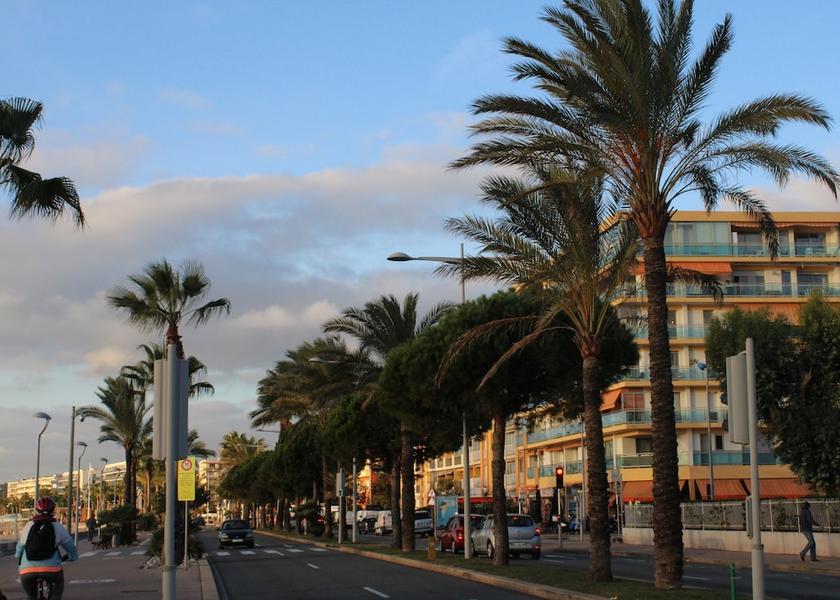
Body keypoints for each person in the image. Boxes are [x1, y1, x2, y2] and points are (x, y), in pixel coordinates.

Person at [16, 497, 78, 600]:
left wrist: (17, 555)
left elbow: (20, 545)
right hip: (52, 569)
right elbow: (70, 546)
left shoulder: (29, 525)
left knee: (30, 596)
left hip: (27, 570)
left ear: (37, 510)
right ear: (53, 510)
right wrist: (72, 557)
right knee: (56, 592)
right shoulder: (58, 527)